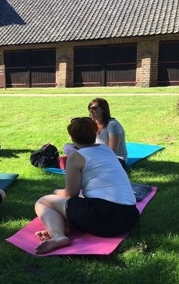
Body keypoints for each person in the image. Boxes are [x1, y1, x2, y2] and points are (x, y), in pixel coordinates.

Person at [34, 117, 139, 254]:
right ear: (95, 133)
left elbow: (70, 194)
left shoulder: (76, 157)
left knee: (43, 202)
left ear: (72, 137)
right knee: (81, 200)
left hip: (104, 217)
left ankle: (58, 236)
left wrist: (55, 192)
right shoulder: (106, 150)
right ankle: (63, 226)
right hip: (130, 217)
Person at [63, 98, 128, 168]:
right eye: (89, 108)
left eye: (94, 108)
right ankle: (86, 161)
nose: (91, 110)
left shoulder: (112, 125)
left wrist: (91, 154)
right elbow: (85, 142)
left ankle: (84, 161)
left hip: (115, 159)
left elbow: (112, 152)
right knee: (68, 147)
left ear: (103, 109)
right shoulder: (91, 124)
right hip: (95, 154)